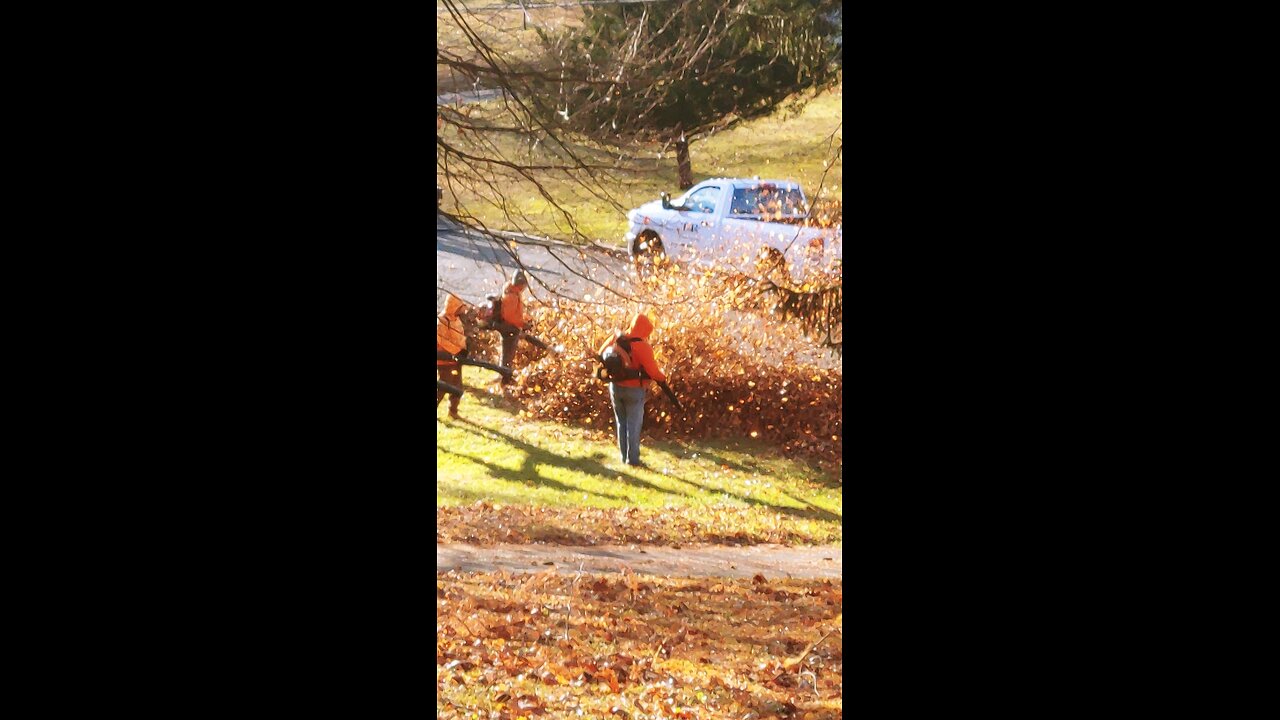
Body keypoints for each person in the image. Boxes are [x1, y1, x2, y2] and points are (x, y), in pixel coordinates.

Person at [598, 312, 666, 467]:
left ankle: (624, 457)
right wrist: (663, 378)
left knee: (621, 422)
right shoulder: (643, 346)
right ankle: (633, 460)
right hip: (635, 390)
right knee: (633, 425)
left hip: (615, 386)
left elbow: (601, 353)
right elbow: (654, 372)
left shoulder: (616, 338)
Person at [436, 293, 470, 418]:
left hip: (456, 360)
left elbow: (459, 338)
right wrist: (457, 351)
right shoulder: (441, 321)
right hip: (444, 360)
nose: (462, 310)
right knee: (444, 386)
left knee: (457, 386)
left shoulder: (456, 320)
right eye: (460, 307)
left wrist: (465, 349)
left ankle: (453, 411)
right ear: (454, 306)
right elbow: (443, 341)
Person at [497, 269, 528, 384]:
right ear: (520, 284)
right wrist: (522, 324)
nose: (525, 288)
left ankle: (505, 375)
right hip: (509, 328)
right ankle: (505, 378)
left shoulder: (514, 293)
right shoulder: (512, 297)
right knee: (508, 353)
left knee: (508, 353)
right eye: (524, 285)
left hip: (511, 327)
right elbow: (509, 317)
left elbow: (516, 313)